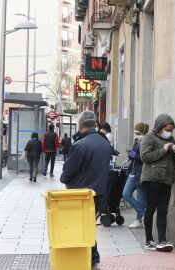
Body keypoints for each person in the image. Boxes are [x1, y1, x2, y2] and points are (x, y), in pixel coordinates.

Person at [60, 110, 112, 270]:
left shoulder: (80, 145)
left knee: (80, 227)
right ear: (95, 124)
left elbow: (67, 174)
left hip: (80, 195)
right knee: (88, 226)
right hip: (100, 193)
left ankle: (89, 259)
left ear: (81, 126)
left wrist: (65, 177)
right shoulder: (105, 143)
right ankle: (92, 259)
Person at [140, 114, 175, 252]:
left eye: (171, 130)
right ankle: (148, 240)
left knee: (163, 210)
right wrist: (164, 149)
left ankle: (162, 240)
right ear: (160, 127)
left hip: (167, 179)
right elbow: (145, 157)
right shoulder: (148, 138)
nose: (169, 132)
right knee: (150, 209)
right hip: (151, 178)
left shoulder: (171, 139)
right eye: (168, 129)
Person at [123, 122, 150, 228]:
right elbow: (134, 157)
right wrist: (131, 155)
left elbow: (145, 158)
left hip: (141, 173)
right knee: (126, 193)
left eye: (138, 133)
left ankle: (139, 219)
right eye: (135, 133)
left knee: (141, 198)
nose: (136, 135)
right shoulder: (137, 141)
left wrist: (134, 155)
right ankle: (143, 215)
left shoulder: (146, 142)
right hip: (133, 172)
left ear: (144, 132)